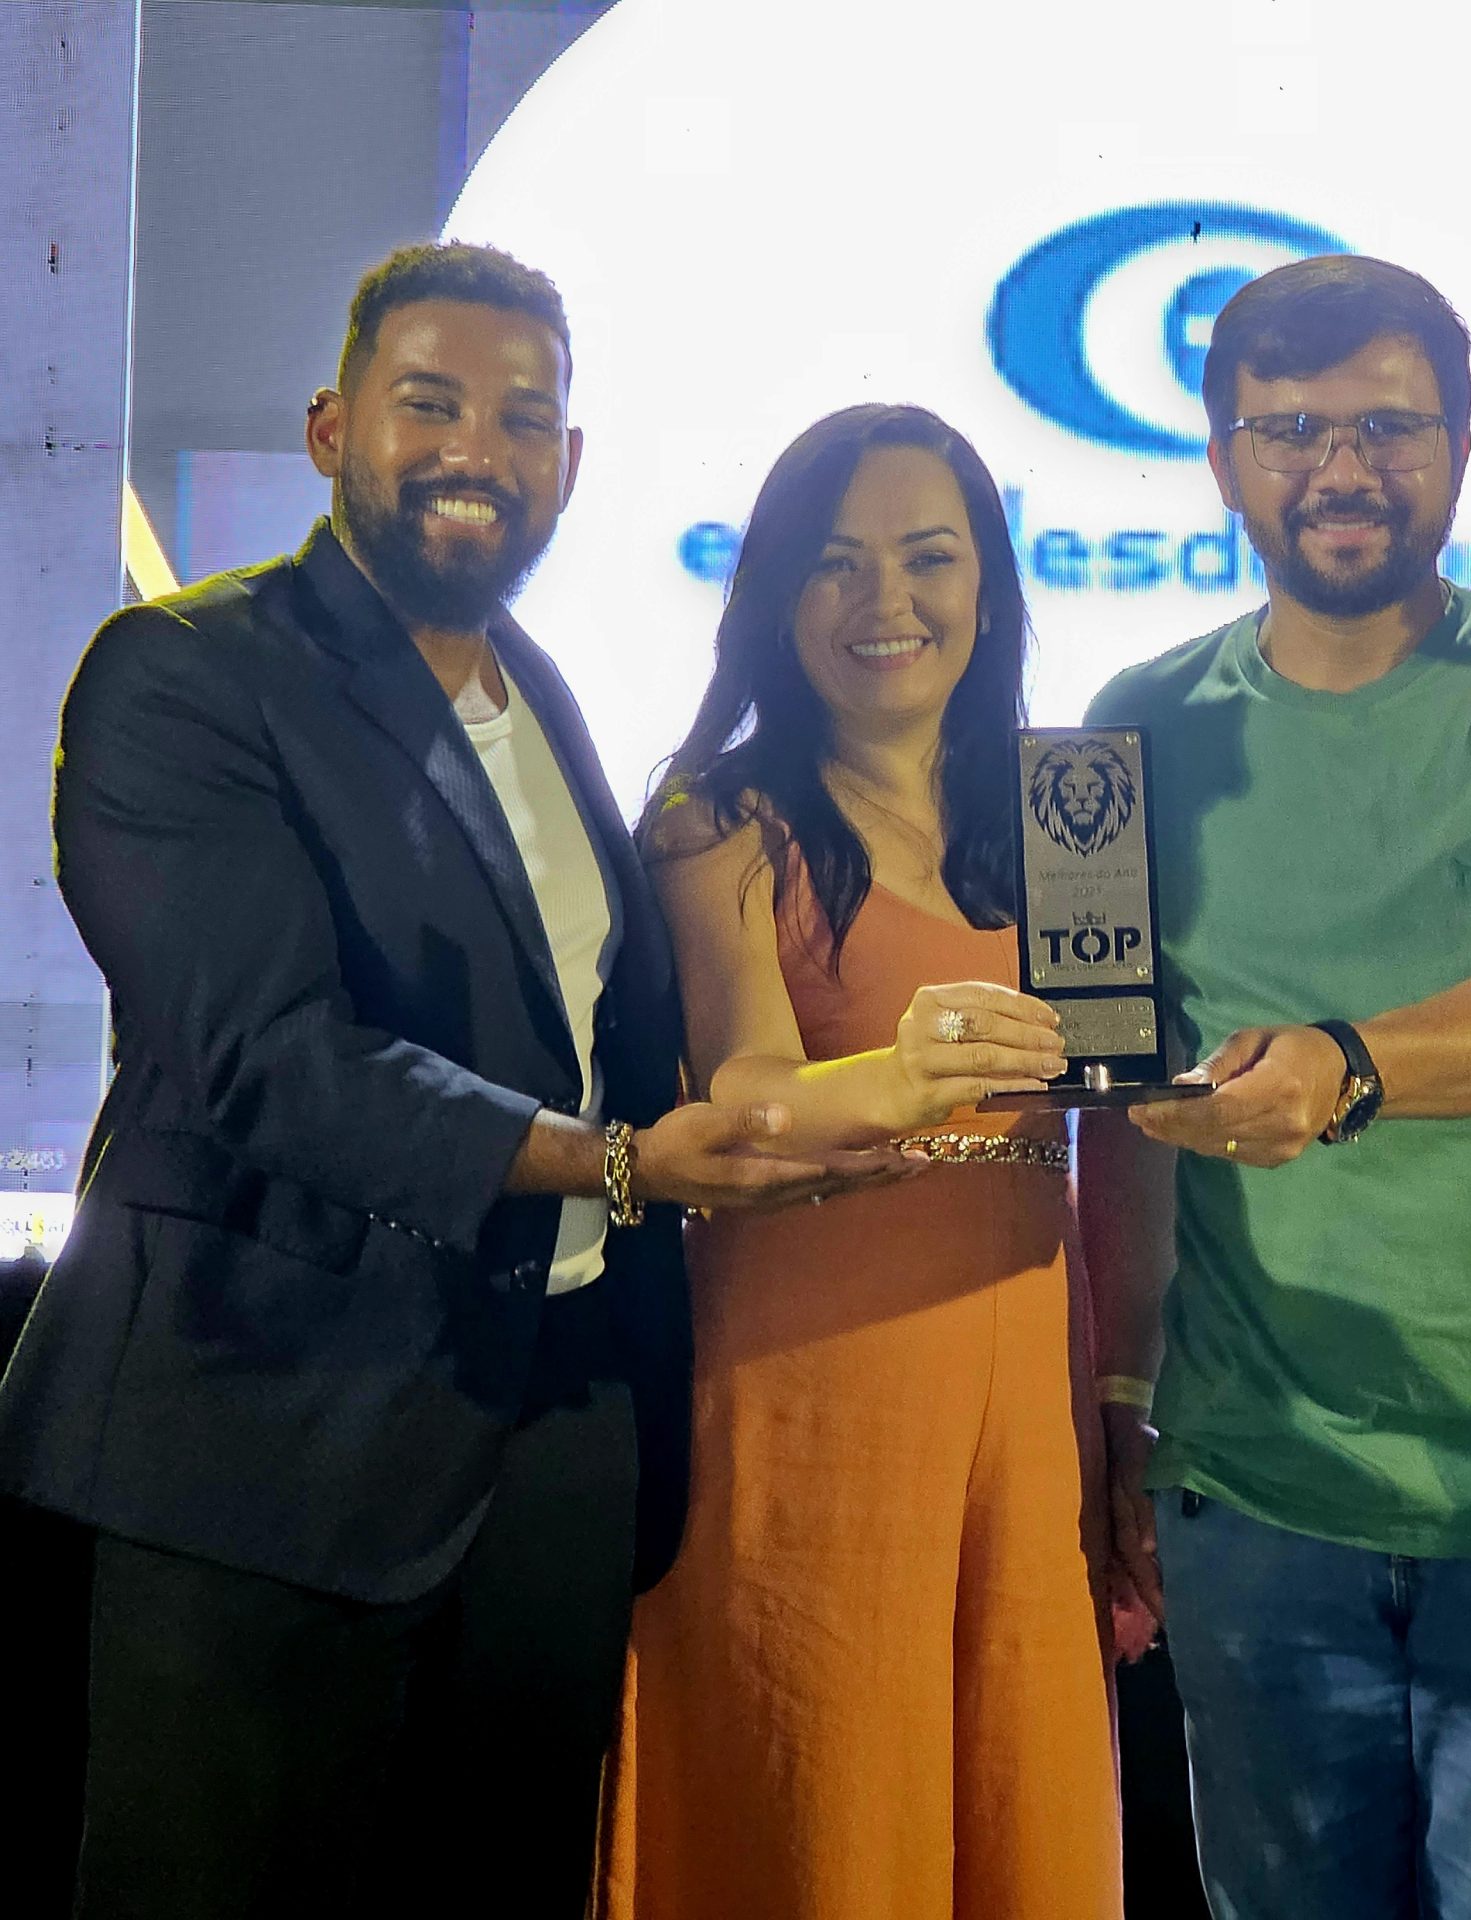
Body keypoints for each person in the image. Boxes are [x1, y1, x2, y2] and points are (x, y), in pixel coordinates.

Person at [0, 243, 882, 1917]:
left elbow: (598, 1031)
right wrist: (614, 1166)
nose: (479, 448)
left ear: (572, 462)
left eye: (524, 417)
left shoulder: (536, 688)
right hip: (264, 1442)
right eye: (432, 403)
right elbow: (267, 1057)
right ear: (331, 428)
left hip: (545, 1446)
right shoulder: (184, 675)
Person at [1079, 255, 1471, 1920]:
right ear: (1222, 459)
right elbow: (1121, 1110)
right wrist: (1119, 1407)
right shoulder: (1130, 726)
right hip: (1251, 1494)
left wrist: (1340, 1071)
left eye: (1388, 428)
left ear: (1463, 448)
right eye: (1290, 430)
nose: (1340, 469)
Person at [602, 403, 1123, 1920]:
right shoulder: (719, 818)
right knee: (822, 1800)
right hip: (808, 1378)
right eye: (835, 563)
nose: (883, 600)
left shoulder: (1072, 815)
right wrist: (900, 1076)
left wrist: (1130, 1390)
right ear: (776, 594)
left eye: (927, 557)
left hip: (1027, 1379)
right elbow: (746, 1085)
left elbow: (1124, 1120)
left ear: (990, 589)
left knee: (1019, 1796)